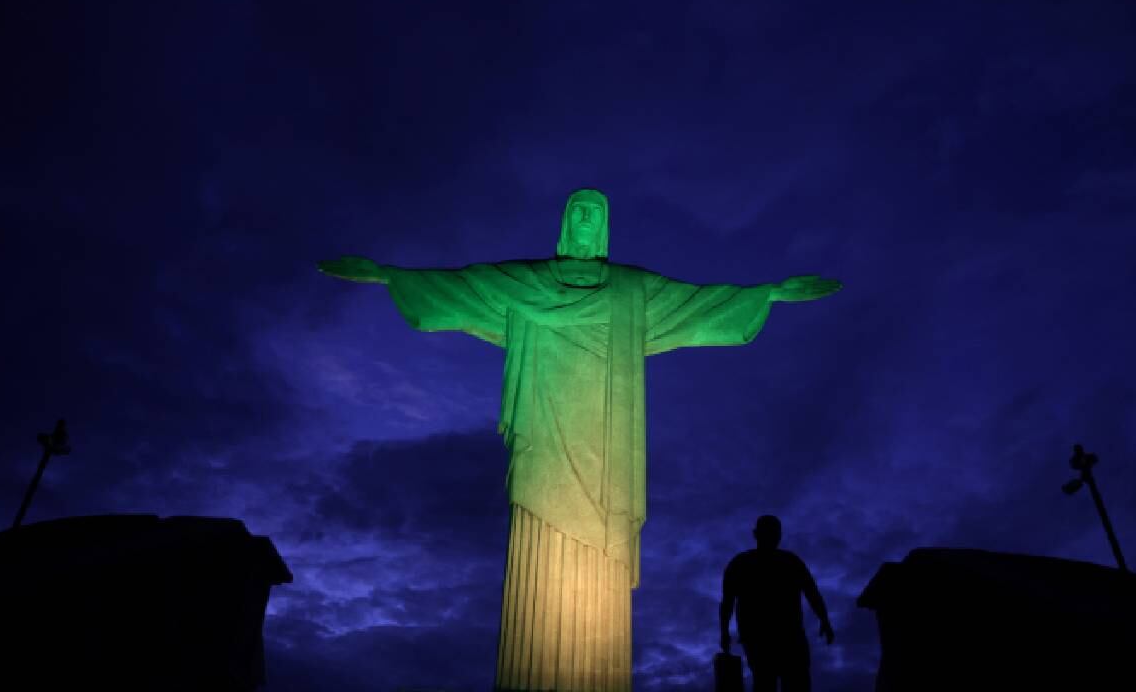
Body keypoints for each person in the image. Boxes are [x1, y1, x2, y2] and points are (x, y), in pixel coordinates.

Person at [319, 189, 842, 691]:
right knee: (539, 545)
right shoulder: (528, 282)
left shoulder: (631, 290)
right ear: (568, 223)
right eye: (580, 213)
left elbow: (696, 305)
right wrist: (389, 277)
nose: (588, 222)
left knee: (602, 557)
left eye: (598, 214)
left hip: (607, 450)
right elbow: (463, 288)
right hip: (545, 438)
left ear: (606, 227)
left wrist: (766, 294)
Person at [720, 515, 834, 692]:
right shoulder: (747, 564)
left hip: (781, 636)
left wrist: (825, 619)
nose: (773, 537)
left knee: (782, 681)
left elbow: (811, 592)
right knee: (771, 681)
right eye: (770, 533)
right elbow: (727, 602)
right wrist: (724, 631)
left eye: (774, 533)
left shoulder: (746, 563)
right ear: (756, 534)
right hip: (766, 636)